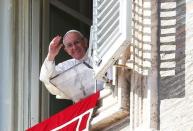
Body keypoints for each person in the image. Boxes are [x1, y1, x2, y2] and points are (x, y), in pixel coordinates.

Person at [40, 30, 107, 102]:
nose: (74, 47)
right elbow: (46, 78)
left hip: (106, 100)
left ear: (85, 42)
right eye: (69, 45)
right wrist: (51, 55)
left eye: (77, 42)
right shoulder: (66, 66)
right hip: (84, 107)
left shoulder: (101, 56)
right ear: (66, 50)